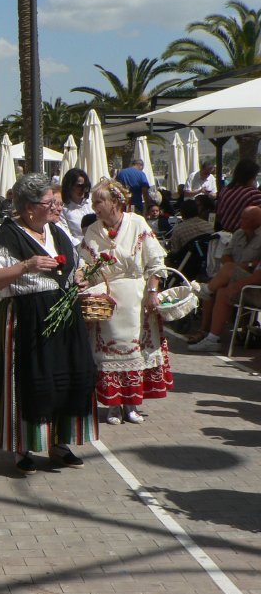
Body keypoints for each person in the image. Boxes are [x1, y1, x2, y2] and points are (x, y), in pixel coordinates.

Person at [0, 174, 98, 474]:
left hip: (63, 315)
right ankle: (23, 447)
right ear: (30, 207)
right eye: (49, 202)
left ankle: (59, 443)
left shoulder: (57, 232)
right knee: (29, 381)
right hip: (26, 317)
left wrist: (80, 278)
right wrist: (25, 266)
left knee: (69, 376)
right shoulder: (7, 236)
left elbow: (75, 265)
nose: (56, 207)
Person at [81, 180, 172, 424]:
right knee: (109, 349)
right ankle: (113, 405)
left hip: (136, 296)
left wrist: (153, 291)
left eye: (99, 201)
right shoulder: (92, 230)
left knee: (136, 347)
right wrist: (83, 279)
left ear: (116, 202)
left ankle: (132, 403)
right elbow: (84, 265)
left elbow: (155, 261)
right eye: (93, 202)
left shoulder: (137, 223)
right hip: (107, 298)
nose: (94, 206)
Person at [187, 206, 261, 351]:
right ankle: (210, 338)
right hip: (237, 277)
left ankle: (205, 291)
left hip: (252, 283)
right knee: (220, 290)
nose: (241, 221)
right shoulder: (239, 234)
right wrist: (233, 268)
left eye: (245, 219)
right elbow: (226, 255)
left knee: (220, 281)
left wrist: (243, 267)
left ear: (256, 221)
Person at [215, 159, 261, 232]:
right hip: (240, 237)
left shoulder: (225, 190)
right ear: (251, 177)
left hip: (222, 234)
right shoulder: (252, 194)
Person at [60, 168, 93, 242]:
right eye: (79, 186)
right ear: (69, 186)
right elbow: (67, 235)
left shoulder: (93, 202)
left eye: (85, 185)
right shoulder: (63, 210)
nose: (83, 189)